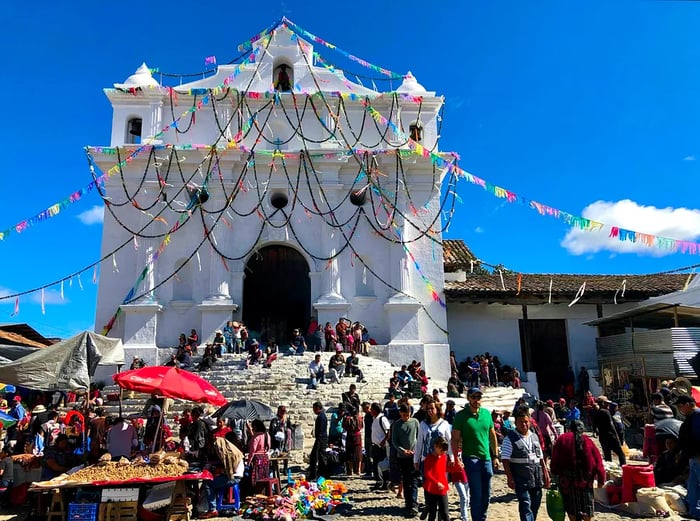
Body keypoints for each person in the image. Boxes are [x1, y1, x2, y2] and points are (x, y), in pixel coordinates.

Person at [450, 387, 500, 521]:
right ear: (468, 398)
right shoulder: (460, 416)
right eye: (474, 397)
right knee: (476, 493)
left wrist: (495, 455)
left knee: (487, 494)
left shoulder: (486, 414)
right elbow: (454, 439)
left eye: (479, 397)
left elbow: (492, 435)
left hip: (487, 458)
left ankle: (481, 517)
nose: (477, 400)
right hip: (470, 458)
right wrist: (456, 458)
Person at [501, 407, 550, 521]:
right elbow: (505, 459)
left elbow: (540, 456)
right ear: (516, 423)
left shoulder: (534, 436)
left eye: (526, 422)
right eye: (521, 422)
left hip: (536, 476)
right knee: (525, 503)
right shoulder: (510, 438)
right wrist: (509, 477)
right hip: (520, 476)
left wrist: (545, 473)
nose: (524, 425)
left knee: (536, 503)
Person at [550, 420, 605, 521]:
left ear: (570, 428)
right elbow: (598, 461)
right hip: (585, 482)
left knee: (572, 511)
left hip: (567, 482)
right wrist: (601, 479)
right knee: (587, 510)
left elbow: (554, 460)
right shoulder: (588, 441)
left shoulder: (562, 439)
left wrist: (554, 474)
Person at [391, 403, 420, 518]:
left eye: (407, 415)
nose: (405, 417)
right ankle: (408, 503)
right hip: (402, 457)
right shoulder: (397, 425)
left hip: (413, 456)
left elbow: (418, 437)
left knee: (413, 480)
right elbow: (395, 441)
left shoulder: (415, 422)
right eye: (403, 415)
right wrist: (403, 450)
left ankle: (414, 504)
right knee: (406, 480)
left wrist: (415, 450)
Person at [676, 394, 700, 518]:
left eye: (681, 406)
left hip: (698, 457)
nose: (680, 410)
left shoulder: (697, 416)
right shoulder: (691, 417)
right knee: (692, 486)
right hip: (693, 457)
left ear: (687, 405)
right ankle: (694, 512)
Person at [422, 436, 450, 521]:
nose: (442, 452)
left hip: (442, 488)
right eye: (441, 449)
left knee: (445, 513)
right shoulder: (429, 458)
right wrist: (436, 482)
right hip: (431, 488)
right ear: (435, 446)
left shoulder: (444, 457)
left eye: (444, 450)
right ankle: (426, 508)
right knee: (432, 513)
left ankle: (426, 509)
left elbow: (445, 469)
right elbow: (428, 474)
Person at [592, 396, 625, 465]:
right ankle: (624, 469)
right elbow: (611, 425)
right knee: (621, 454)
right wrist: (617, 437)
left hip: (602, 437)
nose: (609, 405)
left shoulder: (596, 413)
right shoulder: (606, 412)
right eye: (607, 403)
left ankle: (609, 472)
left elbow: (594, 427)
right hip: (610, 436)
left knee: (607, 457)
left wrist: (598, 433)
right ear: (603, 403)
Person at [370, 402, 391, 489]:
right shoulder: (374, 418)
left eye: (372, 409)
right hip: (375, 445)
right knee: (375, 464)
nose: (371, 411)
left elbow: (388, 431)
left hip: (382, 446)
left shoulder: (382, 419)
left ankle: (386, 482)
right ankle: (379, 481)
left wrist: (383, 441)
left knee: (383, 465)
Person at [308, 401, 328, 480]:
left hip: (321, 439)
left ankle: (315, 475)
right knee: (320, 457)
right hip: (321, 439)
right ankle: (320, 474)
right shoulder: (321, 416)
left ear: (317, 408)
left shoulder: (321, 417)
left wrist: (318, 441)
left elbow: (321, 430)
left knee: (315, 457)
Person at [342, 405, 363, 475]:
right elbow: (362, 426)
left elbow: (343, 426)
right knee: (358, 453)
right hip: (357, 436)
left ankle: (350, 470)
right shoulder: (360, 418)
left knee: (349, 453)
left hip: (350, 435)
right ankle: (358, 470)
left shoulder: (347, 419)